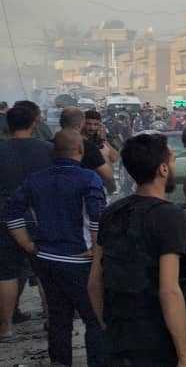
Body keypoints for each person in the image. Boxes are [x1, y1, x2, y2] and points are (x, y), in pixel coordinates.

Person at [88, 132, 186, 365]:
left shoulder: (111, 212)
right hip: (154, 339)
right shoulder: (169, 215)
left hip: (117, 337)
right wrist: (185, 354)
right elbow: (169, 290)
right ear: (163, 169)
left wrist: (108, 326)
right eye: (173, 160)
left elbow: (94, 282)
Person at [6, 130, 106, 366]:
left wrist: (27, 244)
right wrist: (96, 249)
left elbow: (11, 212)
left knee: (58, 318)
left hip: (46, 259)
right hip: (79, 260)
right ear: (80, 150)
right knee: (94, 319)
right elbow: (97, 218)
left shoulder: (35, 179)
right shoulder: (89, 178)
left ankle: (60, 362)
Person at [0, 106, 53, 342]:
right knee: (44, 271)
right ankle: (52, 320)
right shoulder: (48, 150)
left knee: (6, 273)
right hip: (40, 216)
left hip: (4, 216)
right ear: (34, 123)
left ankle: (7, 328)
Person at [60, 107, 116, 189]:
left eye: (95, 124)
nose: (92, 128)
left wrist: (103, 140)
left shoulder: (101, 138)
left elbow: (114, 158)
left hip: (98, 184)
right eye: (88, 124)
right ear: (82, 124)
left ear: (100, 125)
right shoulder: (74, 139)